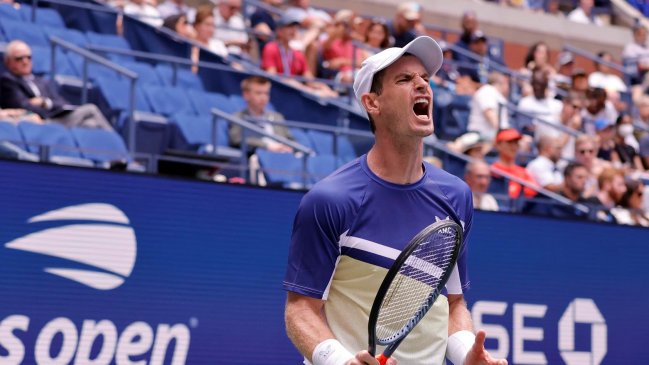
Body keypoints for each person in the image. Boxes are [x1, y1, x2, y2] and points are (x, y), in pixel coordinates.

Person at [283, 36, 508, 365]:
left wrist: (464, 354)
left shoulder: (457, 196)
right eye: (405, 79)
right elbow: (300, 310)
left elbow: (453, 303)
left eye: (425, 78)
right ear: (372, 103)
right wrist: (340, 361)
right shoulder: (330, 200)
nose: (422, 85)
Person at [0, 40, 114, 131]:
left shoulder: (41, 81)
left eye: (28, 57)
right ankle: (121, 153)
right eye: (19, 59)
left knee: (91, 124)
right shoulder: (7, 81)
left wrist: (45, 102)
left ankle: (116, 157)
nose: (25, 62)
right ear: (8, 62)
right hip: (42, 121)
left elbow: (63, 103)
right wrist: (48, 111)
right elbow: (22, 105)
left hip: (57, 118)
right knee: (90, 109)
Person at [230, 76, 294, 153]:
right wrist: (266, 146)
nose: (263, 97)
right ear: (246, 95)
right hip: (258, 158)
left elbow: (290, 140)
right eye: (258, 93)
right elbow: (237, 139)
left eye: (266, 93)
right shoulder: (239, 117)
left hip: (284, 157)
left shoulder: (277, 117)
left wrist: (291, 147)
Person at [491, 128, 538, 199]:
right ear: (498, 145)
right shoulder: (492, 170)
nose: (513, 147)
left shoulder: (523, 172)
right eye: (509, 142)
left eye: (516, 143)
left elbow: (533, 191)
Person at [467, 71, 510, 144]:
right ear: (500, 83)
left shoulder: (497, 94)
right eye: (507, 83)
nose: (508, 87)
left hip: (491, 133)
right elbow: (490, 115)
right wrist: (504, 135)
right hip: (481, 134)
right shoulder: (487, 91)